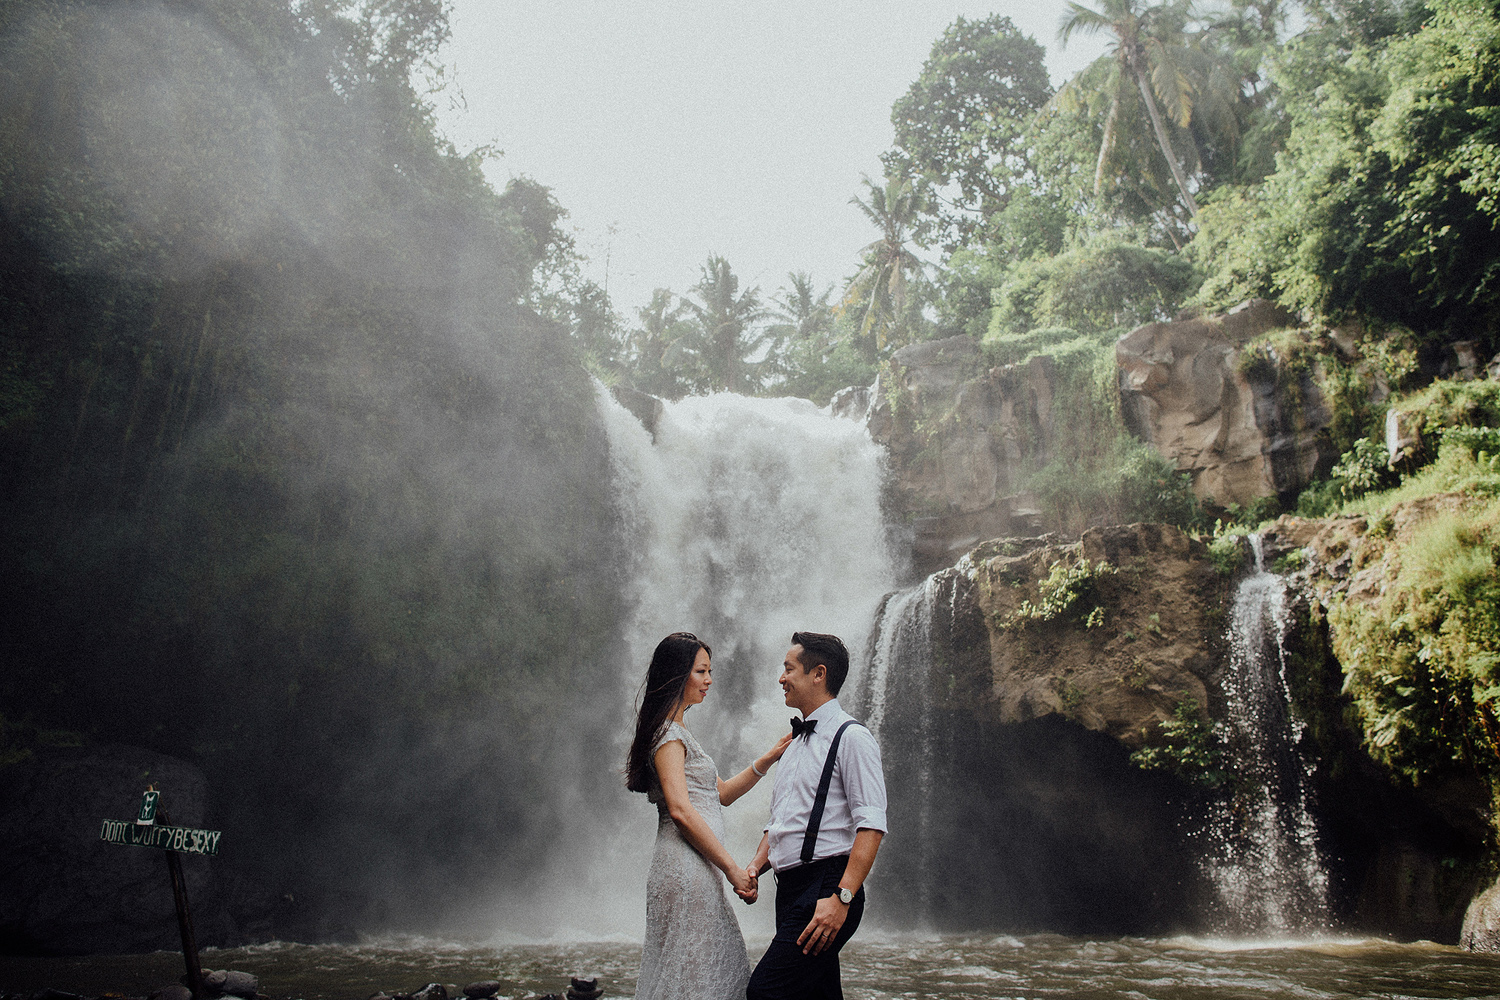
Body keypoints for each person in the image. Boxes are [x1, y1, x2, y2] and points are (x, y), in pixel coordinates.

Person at [626, 632, 795, 1000]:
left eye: (710, 671)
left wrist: (767, 759)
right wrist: (733, 869)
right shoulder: (669, 736)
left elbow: (720, 794)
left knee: (698, 971)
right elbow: (681, 811)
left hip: (694, 866)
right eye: (701, 671)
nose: (709, 680)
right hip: (686, 867)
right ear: (677, 674)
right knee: (696, 975)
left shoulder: (678, 730)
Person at [743, 631, 888, 1000]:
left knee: (765, 992)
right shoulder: (790, 747)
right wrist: (755, 867)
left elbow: (871, 826)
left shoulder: (852, 737)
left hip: (827, 887)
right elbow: (782, 823)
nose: (781, 678)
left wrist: (842, 898)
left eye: (788, 669)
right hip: (790, 889)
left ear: (818, 674)